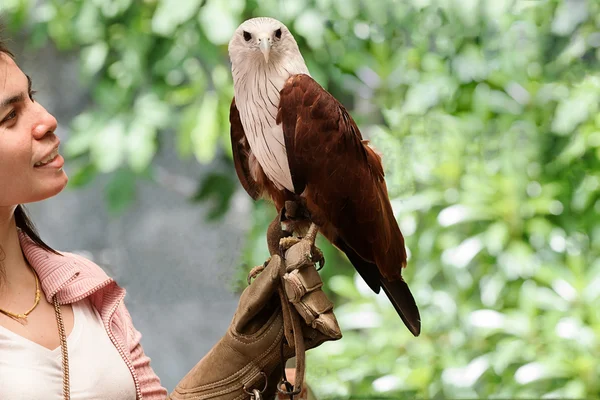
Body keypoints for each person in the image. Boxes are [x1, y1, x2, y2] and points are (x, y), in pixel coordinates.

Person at [0, 33, 339, 399]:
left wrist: (243, 361)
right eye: (10, 116)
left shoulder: (82, 284)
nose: (46, 120)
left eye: (32, 98)